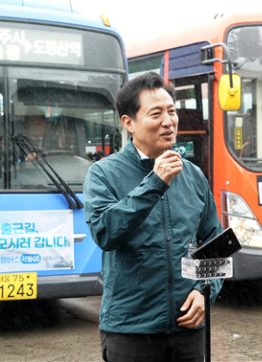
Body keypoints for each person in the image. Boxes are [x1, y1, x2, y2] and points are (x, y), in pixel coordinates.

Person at [83, 72, 223, 362]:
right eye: (156, 113)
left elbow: (215, 240)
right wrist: (155, 183)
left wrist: (204, 292)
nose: (168, 121)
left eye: (172, 111)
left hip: (188, 330)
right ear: (129, 123)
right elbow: (105, 233)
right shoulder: (104, 174)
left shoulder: (193, 175)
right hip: (131, 331)